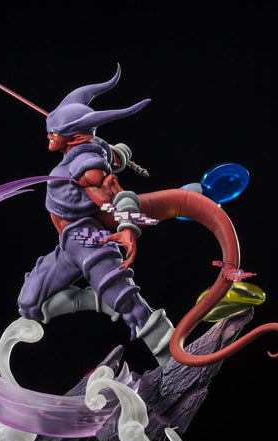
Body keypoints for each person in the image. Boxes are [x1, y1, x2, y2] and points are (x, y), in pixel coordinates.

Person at [17, 65, 175, 364]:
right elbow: (112, 155)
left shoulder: (86, 165)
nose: (49, 135)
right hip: (67, 244)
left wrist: (127, 226)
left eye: (55, 132)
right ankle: (98, 301)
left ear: (74, 136)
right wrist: (119, 154)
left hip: (86, 236)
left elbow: (113, 192)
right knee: (29, 304)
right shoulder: (89, 150)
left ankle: (171, 355)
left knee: (127, 301)